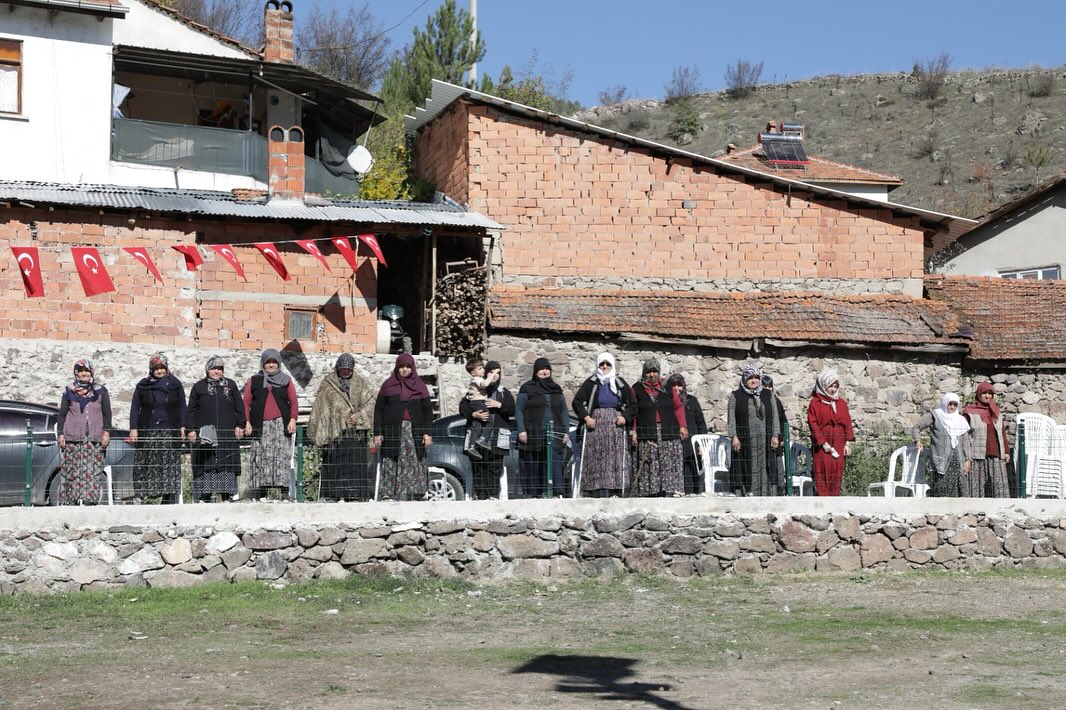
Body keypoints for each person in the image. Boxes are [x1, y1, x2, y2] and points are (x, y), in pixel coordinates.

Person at [307, 353, 374, 501]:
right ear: (338, 367)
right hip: (334, 435)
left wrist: (359, 415)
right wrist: (339, 418)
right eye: (343, 368)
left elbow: (369, 403)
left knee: (354, 464)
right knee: (336, 463)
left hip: (355, 435)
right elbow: (321, 405)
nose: (346, 372)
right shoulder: (328, 383)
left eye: (349, 369)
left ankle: (354, 495)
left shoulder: (360, 383)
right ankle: (334, 495)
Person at [572, 352, 635, 497]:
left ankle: (616, 490)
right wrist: (587, 418)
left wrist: (625, 417)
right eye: (602, 364)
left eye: (608, 364)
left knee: (615, 457)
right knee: (596, 457)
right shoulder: (592, 382)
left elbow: (633, 405)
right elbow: (577, 402)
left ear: (612, 365)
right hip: (596, 424)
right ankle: (595, 491)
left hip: (615, 425)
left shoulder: (620, 382)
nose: (605, 366)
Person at [372, 353, 433, 500]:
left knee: (414, 460)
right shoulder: (388, 385)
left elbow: (427, 412)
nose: (404, 370)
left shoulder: (420, 386)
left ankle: (418, 493)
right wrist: (378, 432)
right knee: (392, 459)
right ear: (397, 368)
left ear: (412, 368)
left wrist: (427, 433)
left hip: (414, 431)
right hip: (392, 431)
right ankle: (389, 494)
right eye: (401, 367)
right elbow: (379, 410)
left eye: (408, 367)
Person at [128, 353, 186, 504]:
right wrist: (133, 428)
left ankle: (168, 498)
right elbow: (135, 407)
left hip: (169, 429)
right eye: (156, 368)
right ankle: (143, 496)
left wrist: (183, 426)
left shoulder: (175, 384)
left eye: (162, 368)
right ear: (151, 369)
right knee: (147, 463)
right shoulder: (143, 385)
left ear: (167, 368)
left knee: (168, 464)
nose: (159, 371)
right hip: (148, 429)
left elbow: (182, 406)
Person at [185, 356, 245, 502]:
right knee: (207, 462)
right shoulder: (199, 387)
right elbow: (191, 410)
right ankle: (203, 495)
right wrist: (191, 429)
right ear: (207, 370)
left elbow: (240, 407)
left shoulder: (230, 385)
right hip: (206, 433)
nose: (217, 371)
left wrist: (240, 425)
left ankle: (229, 494)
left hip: (227, 431)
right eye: (213, 368)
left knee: (226, 461)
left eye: (219, 369)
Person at [242, 349, 298, 500]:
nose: (271, 365)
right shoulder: (255, 380)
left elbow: (293, 401)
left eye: (274, 362)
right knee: (260, 457)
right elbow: (246, 403)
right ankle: (261, 492)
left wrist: (293, 419)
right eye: (268, 362)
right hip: (260, 425)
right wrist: (246, 422)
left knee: (281, 456)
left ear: (278, 363)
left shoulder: (285, 380)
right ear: (263, 363)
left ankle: (284, 492)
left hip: (280, 425)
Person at [56, 358, 112, 505]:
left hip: (94, 437)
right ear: (76, 373)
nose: (84, 374)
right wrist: (60, 434)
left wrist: (106, 432)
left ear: (91, 372)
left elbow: (107, 413)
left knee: (93, 470)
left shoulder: (101, 391)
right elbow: (62, 414)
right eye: (81, 371)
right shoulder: (69, 391)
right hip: (73, 436)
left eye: (87, 371)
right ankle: (71, 501)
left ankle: (90, 501)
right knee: (72, 470)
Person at [458, 360, 515, 499]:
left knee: (495, 468)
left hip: (496, 438)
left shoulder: (503, 392)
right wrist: (473, 415)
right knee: (479, 468)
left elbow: (512, 410)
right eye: (491, 372)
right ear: (485, 373)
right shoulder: (477, 390)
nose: (495, 376)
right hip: (477, 437)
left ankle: (493, 497)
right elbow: (462, 407)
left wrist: (499, 405)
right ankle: (481, 497)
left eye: (498, 372)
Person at [629, 358, 686, 497]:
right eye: (649, 372)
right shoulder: (636, 388)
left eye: (655, 371)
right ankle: (650, 492)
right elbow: (633, 411)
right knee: (651, 462)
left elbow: (678, 407)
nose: (652, 375)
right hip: (647, 432)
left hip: (669, 431)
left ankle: (671, 490)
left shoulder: (667, 387)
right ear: (644, 373)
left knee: (669, 461)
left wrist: (683, 426)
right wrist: (634, 432)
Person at [515, 357, 570, 498]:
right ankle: (534, 494)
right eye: (541, 369)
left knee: (555, 463)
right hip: (533, 433)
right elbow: (519, 410)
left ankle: (556, 493)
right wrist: (521, 430)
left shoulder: (556, 389)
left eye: (547, 369)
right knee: (534, 462)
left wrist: (566, 432)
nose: (544, 372)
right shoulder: (527, 388)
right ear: (535, 371)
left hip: (555, 433)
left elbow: (563, 411)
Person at [727, 364, 781, 496]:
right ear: (745, 379)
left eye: (756, 377)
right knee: (747, 466)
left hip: (765, 439)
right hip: (745, 439)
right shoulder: (736, 396)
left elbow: (775, 416)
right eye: (750, 377)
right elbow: (731, 418)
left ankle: (766, 494)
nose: (754, 380)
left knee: (765, 466)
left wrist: (775, 435)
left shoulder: (767, 395)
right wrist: (733, 436)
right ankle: (747, 494)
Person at [913, 393, 974, 497]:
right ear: (945, 403)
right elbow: (917, 427)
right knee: (941, 488)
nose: (952, 407)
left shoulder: (961, 420)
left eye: (955, 405)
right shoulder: (936, 415)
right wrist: (917, 441)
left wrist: (968, 460)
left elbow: (965, 442)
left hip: (958, 461)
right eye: (950, 404)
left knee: (960, 490)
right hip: (941, 460)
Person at [806, 368, 855, 496]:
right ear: (823, 386)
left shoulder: (841, 403)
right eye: (830, 386)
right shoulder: (815, 403)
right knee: (822, 471)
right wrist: (823, 443)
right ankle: (824, 502)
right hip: (822, 444)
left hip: (839, 441)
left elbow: (847, 423)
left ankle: (835, 502)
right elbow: (813, 424)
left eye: (835, 386)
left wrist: (847, 443)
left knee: (836, 472)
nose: (833, 389)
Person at [963, 382, 1010, 498]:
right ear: (979, 394)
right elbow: (965, 436)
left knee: (1000, 486)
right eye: (984, 393)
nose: (987, 396)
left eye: (990, 393)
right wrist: (967, 457)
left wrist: (1007, 451)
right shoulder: (970, 412)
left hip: (996, 455)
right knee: (976, 489)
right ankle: (974, 511)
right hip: (977, 455)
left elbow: (1002, 432)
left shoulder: (996, 412)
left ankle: (1002, 510)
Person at [668, 372, 707, 495]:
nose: (676, 388)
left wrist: (701, 444)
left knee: (692, 471)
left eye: (679, 385)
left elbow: (700, 422)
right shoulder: (667, 402)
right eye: (673, 385)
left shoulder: (692, 401)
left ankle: (693, 496)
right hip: (675, 443)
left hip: (692, 444)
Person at [462, 358, 496, 460]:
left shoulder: (476, 380)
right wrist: (492, 375)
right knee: (490, 422)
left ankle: (471, 446)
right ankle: (483, 439)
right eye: (480, 368)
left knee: (476, 426)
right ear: (473, 373)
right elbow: (485, 384)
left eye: (483, 368)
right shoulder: (478, 379)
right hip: (479, 403)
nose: (483, 370)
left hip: (475, 403)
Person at [762, 374, 789, 493]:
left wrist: (780, 437)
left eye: (770, 386)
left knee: (775, 469)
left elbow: (783, 421)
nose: (767, 389)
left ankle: (777, 492)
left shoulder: (776, 401)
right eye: (765, 386)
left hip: (775, 441)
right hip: (761, 440)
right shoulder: (756, 401)